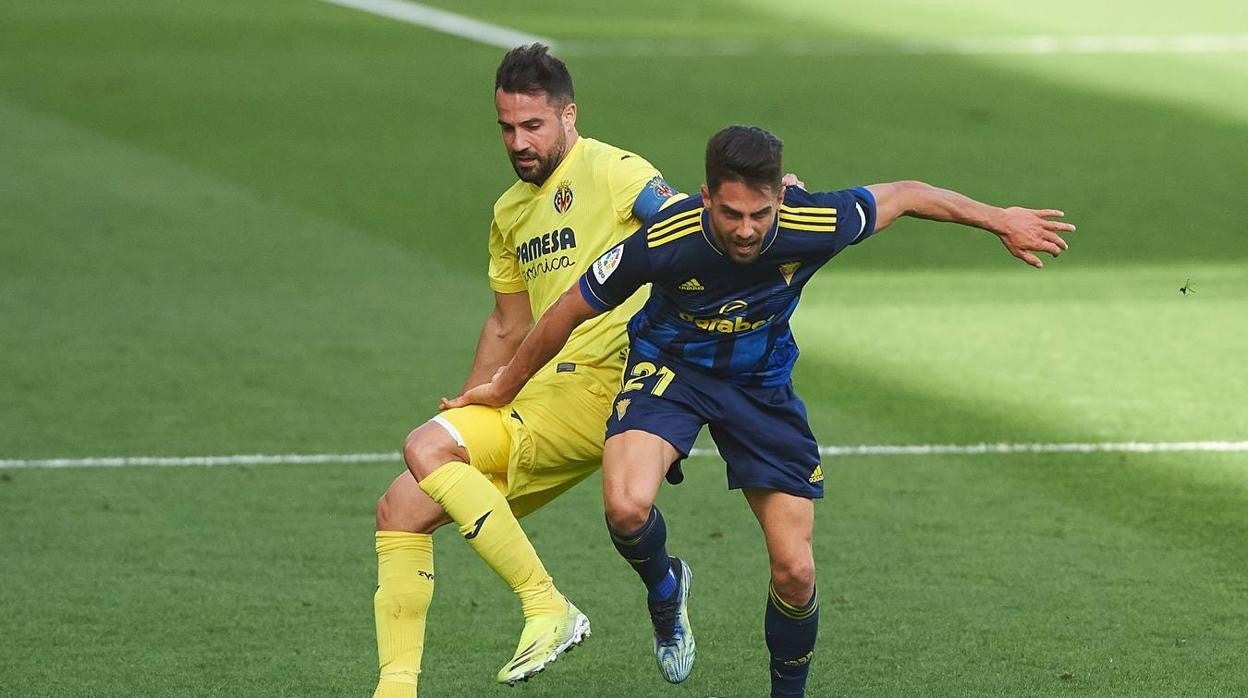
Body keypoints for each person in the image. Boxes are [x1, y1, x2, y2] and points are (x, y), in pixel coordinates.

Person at [442, 125, 1075, 696]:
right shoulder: (667, 238)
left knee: (796, 571)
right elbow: (567, 311)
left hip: (759, 385)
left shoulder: (815, 221)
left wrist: (1000, 220)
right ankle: (666, 590)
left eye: (760, 214)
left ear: (781, 198)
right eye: (730, 213)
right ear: (705, 197)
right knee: (627, 506)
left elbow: (906, 193)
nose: (746, 230)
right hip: (673, 370)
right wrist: (501, 388)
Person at [370, 44, 681, 697]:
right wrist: (469, 404)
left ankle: (548, 607)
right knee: (401, 504)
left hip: (607, 382)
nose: (518, 141)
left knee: (426, 446)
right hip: (540, 394)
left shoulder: (613, 170)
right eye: (507, 128)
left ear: (569, 115)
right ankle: (394, 690)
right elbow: (508, 325)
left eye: (533, 126)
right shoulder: (511, 212)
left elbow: (681, 229)